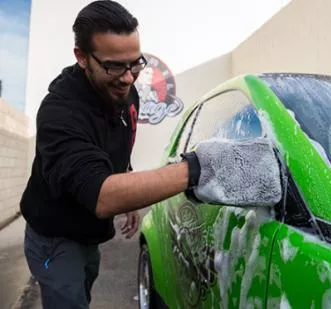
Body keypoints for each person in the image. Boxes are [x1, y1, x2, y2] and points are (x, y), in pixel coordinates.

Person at [19, 1, 201, 307]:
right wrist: (197, 169)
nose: (128, 77)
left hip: (89, 232)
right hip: (54, 237)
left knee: (83, 292)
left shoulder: (124, 91)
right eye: (114, 65)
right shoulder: (59, 113)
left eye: (135, 63)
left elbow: (120, 143)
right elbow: (102, 196)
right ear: (81, 56)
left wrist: (126, 179)